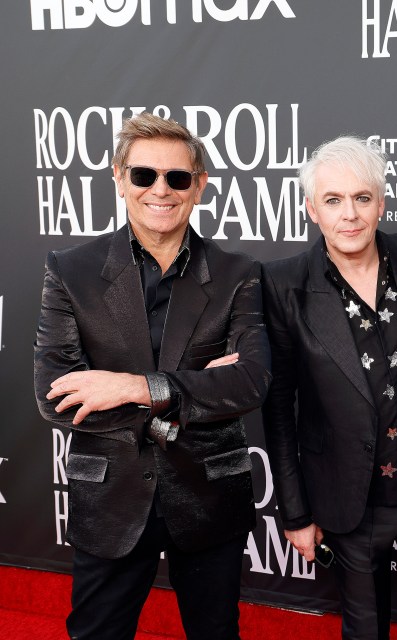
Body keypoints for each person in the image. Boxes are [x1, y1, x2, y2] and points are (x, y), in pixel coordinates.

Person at [34, 112, 272, 639]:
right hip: (111, 498)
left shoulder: (239, 274)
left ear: (200, 186)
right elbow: (57, 398)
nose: (160, 190)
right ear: (119, 177)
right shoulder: (70, 270)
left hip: (211, 500)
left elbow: (251, 382)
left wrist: (131, 386)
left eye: (177, 178)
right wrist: (190, 395)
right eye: (144, 175)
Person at [261, 136, 397, 639]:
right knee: (365, 630)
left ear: (382, 202)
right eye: (332, 200)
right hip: (350, 501)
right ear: (311, 209)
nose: (348, 214)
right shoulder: (284, 285)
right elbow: (278, 410)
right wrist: (296, 512)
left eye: (362, 198)